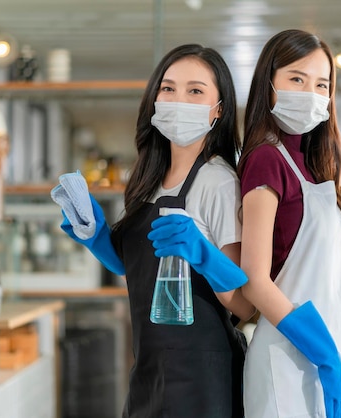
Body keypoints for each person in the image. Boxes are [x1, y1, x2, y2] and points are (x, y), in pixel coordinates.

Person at [52, 43, 254, 417]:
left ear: (218, 109)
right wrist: (95, 235)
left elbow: (244, 302)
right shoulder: (147, 177)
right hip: (149, 368)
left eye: (195, 90)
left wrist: (203, 253)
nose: (179, 98)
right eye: (168, 88)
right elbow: (139, 269)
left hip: (203, 377)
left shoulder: (218, 181)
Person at [237, 29, 341, 418]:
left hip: (334, 346)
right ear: (270, 83)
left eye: (321, 84)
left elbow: (332, 262)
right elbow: (255, 279)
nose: (311, 94)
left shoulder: (317, 167)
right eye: (296, 79)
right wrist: (326, 357)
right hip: (290, 359)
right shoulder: (267, 160)